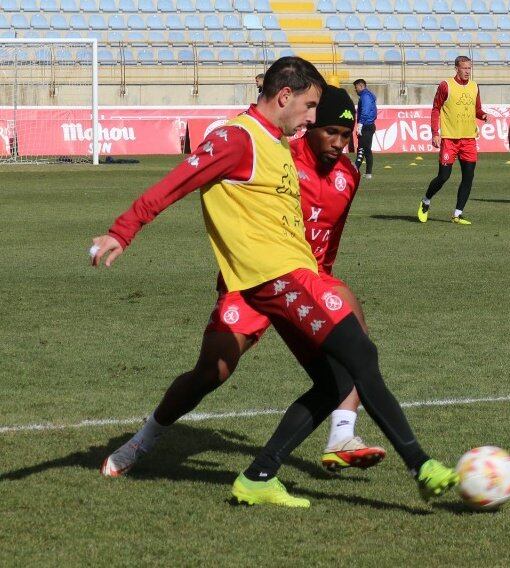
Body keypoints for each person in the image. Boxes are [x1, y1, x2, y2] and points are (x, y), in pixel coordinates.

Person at [90, 57, 459, 507]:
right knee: (216, 371)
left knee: (335, 377)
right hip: (269, 279)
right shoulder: (236, 139)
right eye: (308, 108)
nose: (310, 120)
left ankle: (260, 474)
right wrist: (123, 230)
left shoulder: (282, 143)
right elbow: (177, 181)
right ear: (284, 96)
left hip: (289, 277)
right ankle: (420, 465)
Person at [99, 85, 387, 478]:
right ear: (308, 126)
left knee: (355, 335)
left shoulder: (348, 177)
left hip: (307, 280)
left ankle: (342, 436)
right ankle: (144, 438)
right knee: (212, 371)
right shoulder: (278, 154)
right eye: (328, 131)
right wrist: (124, 230)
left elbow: (330, 241)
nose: (338, 143)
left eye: (345, 135)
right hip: (253, 280)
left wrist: (324, 285)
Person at [417, 55, 488, 225]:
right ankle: (426, 201)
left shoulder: (474, 86)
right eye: (464, 68)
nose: (467, 71)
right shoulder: (446, 85)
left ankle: (457, 214)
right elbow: (436, 108)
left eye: (469, 68)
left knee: (468, 177)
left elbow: (476, 109)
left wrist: (483, 115)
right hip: (450, 139)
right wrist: (435, 132)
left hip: (469, 138)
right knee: (443, 177)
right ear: (456, 68)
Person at [352, 79, 377, 179]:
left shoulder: (365, 96)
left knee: (362, 149)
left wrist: (360, 124)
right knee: (366, 149)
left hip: (366, 125)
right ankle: (367, 173)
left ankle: (356, 169)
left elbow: (365, 111)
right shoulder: (368, 95)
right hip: (368, 125)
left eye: (356, 87)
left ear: (361, 86)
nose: (355, 89)